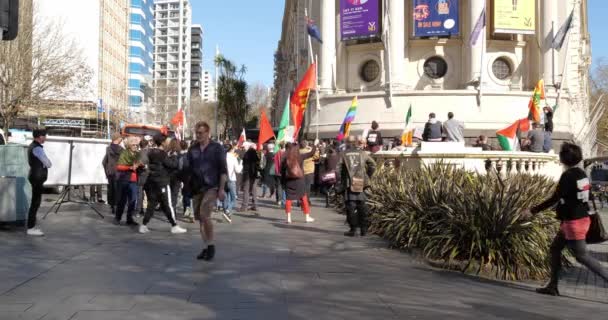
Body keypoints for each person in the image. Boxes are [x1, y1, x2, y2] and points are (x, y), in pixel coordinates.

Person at [522, 143, 608, 296]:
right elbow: (578, 197)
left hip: (573, 223)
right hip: (578, 220)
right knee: (555, 249)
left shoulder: (568, 176)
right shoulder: (581, 174)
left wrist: (532, 211)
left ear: (563, 158)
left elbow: (555, 198)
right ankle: (552, 286)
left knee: (582, 256)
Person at [186, 121, 227, 261]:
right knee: (200, 219)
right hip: (197, 188)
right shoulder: (192, 149)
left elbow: (223, 170)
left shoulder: (217, 148)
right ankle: (205, 247)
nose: (198, 135)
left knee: (205, 214)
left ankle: (211, 246)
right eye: (197, 133)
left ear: (208, 133)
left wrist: (221, 189)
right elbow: (189, 169)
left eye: (201, 133)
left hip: (212, 186)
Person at [139, 134, 188, 235]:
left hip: (151, 181)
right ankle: (174, 225)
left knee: (151, 204)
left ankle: (143, 225)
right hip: (162, 182)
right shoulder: (162, 154)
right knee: (168, 204)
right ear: (162, 142)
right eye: (166, 141)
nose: (168, 142)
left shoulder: (151, 152)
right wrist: (174, 156)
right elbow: (172, 165)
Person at [337, 135, 377, 237]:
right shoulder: (362, 153)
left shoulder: (343, 154)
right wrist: (367, 176)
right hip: (360, 182)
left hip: (349, 182)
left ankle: (353, 229)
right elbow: (373, 165)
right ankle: (364, 229)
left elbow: (338, 170)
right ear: (355, 143)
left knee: (351, 206)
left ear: (346, 143)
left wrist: (340, 181)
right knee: (362, 205)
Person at [281, 142, 318, 224]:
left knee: (288, 199)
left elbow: (282, 172)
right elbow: (311, 153)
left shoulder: (285, 158)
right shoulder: (300, 157)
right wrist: (314, 145)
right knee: (303, 198)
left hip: (289, 181)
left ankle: (288, 218)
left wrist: (283, 183)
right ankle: (307, 216)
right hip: (299, 180)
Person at [26, 129, 52, 236]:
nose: (45, 138)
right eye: (44, 136)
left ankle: (31, 225)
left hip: (35, 176)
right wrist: (47, 162)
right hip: (37, 177)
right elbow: (48, 163)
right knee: (35, 202)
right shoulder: (37, 148)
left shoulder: (33, 146)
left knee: (35, 201)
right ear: (39, 137)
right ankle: (31, 227)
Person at [114, 136, 141, 226]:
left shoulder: (138, 154)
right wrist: (129, 167)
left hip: (134, 180)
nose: (135, 146)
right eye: (133, 144)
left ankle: (129, 218)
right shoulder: (124, 153)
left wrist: (141, 166)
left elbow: (139, 164)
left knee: (133, 200)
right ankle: (118, 217)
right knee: (122, 200)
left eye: (136, 145)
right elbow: (119, 167)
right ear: (129, 145)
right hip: (124, 179)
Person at [102, 133, 124, 214]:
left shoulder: (108, 149)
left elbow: (104, 162)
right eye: (120, 138)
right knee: (118, 189)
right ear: (118, 139)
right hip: (119, 173)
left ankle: (112, 205)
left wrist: (106, 171)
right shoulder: (122, 150)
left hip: (110, 172)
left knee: (111, 189)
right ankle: (116, 205)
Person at [239, 144, 260, 212]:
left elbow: (243, 163)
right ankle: (255, 206)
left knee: (246, 190)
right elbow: (258, 165)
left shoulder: (246, 154)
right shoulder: (256, 155)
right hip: (254, 175)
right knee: (254, 190)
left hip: (247, 174)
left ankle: (244, 206)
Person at [224, 144, 242, 222]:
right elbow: (238, 170)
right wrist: (241, 163)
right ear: (231, 149)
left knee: (226, 197)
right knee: (234, 198)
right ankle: (228, 210)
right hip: (231, 179)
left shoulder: (221, 157)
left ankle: (227, 213)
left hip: (222, 180)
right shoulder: (233, 157)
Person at [179, 140, 194, 223]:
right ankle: (192, 212)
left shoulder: (182, 157)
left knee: (186, 194)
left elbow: (180, 168)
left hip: (185, 178)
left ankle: (186, 208)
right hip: (194, 179)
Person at [136, 138, 151, 217]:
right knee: (149, 194)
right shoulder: (150, 153)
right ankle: (149, 211)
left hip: (140, 176)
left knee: (140, 194)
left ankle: (139, 211)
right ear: (147, 145)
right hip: (148, 176)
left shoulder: (138, 153)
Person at [273, 143, 286, 207]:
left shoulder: (277, 153)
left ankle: (279, 200)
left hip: (278, 171)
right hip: (285, 172)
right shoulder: (286, 153)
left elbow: (274, 160)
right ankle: (284, 200)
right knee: (284, 186)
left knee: (278, 186)